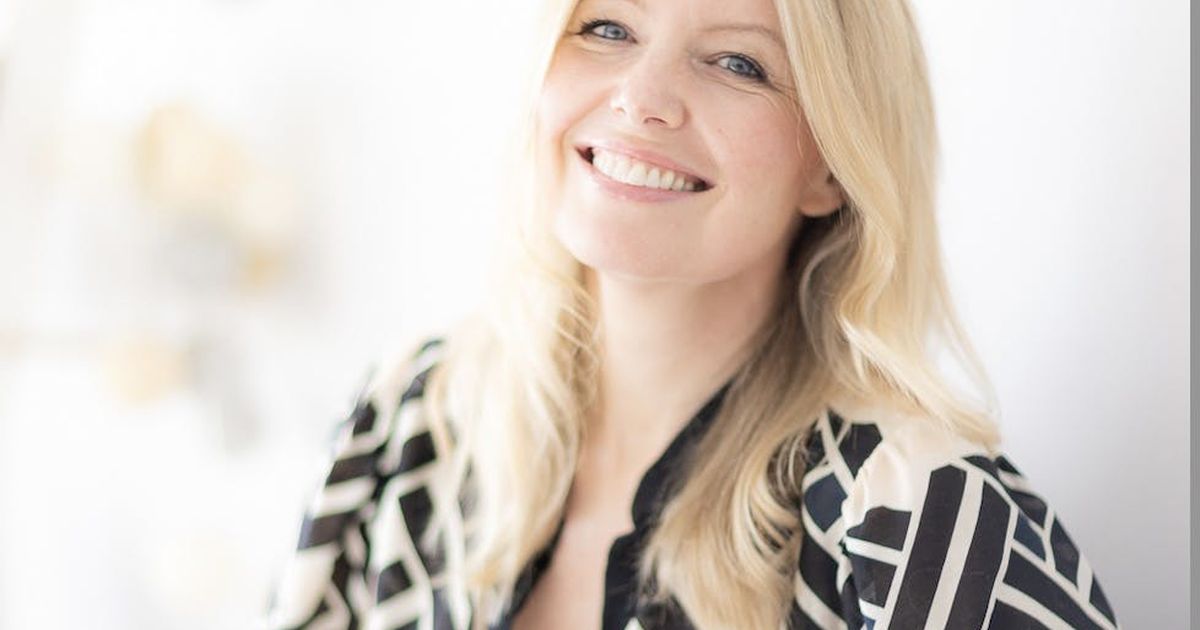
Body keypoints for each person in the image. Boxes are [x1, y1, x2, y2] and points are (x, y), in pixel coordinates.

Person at [267, 0, 1120, 627]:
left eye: (738, 64)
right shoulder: (410, 424)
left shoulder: (922, 522)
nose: (641, 97)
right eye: (608, 27)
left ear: (831, 166)